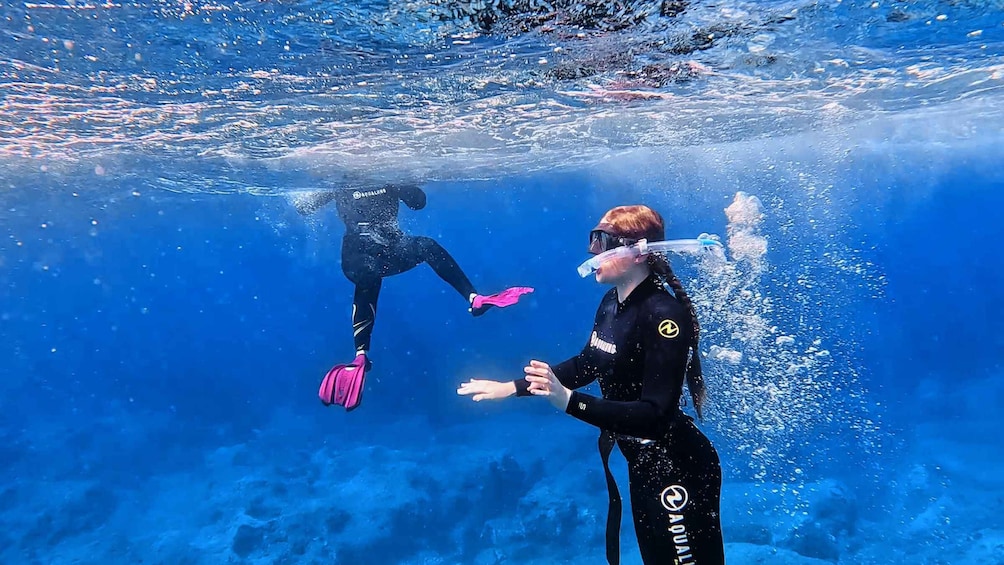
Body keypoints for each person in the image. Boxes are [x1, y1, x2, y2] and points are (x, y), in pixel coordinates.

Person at [457, 205, 724, 565]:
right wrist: (513, 387)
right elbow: (588, 363)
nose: (592, 251)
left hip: (676, 465)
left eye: (603, 240)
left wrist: (570, 402)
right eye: (593, 239)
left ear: (636, 250)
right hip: (642, 463)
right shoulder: (611, 303)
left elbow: (656, 417)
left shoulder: (663, 315)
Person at [294, 185, 533, 411]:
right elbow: (303, 206)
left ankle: (473, 298)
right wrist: (330, 187)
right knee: (369, 274)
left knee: (427, 245)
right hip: (357, 255)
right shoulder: (341, 178)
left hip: (392, 246)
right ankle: (360, 355)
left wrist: (394, 184)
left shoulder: (387, 171)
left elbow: (419, 202)